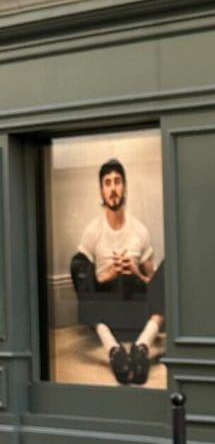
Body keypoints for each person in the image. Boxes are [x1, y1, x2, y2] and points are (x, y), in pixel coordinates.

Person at [70, 158, 165, 384]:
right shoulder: (93, 231)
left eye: (117, 182)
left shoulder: (139, 230)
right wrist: (105, 276)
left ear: (125, 188)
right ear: (101, 192)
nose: (113, 188)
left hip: (136, 309)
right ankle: (114, 350)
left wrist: (135, 272)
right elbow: (82, 276)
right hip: (106, 311)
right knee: (78, 263)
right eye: (107, 183)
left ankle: (142, 347)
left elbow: (152, 282)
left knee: (170, 266)